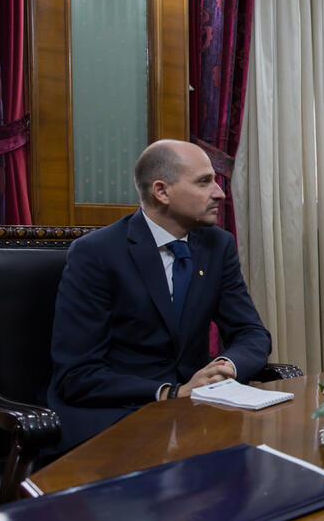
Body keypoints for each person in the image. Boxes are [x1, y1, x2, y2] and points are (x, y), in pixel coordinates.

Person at [49, 139, 272, 451]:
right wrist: (170, 392)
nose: (220, 193)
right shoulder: (96, 254)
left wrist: (226, 366)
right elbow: (77, 375)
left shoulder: (217, 246)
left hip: (197, 416)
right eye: (204, 182)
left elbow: (251, 332)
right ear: (162, 191)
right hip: (118, 417)